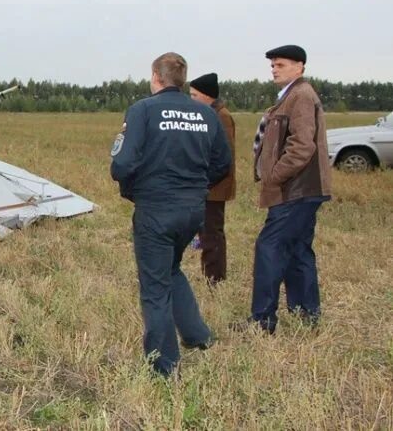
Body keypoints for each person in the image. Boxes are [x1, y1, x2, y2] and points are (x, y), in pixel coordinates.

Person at [110, 52, 232, 377]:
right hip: (192, 210)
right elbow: (223, 164)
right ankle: (198, 335)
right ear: (183, 80)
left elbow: (121, 164)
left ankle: (164, 367)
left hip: (155, 209)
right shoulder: (206, 115)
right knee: (171, 269)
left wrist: (137, 188)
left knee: (154, 287)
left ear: (155, 76)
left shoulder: (143, 110)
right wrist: (195, 186)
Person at [247, 45, 332, 333]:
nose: (274, 68)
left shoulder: (301, 96)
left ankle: (262, 321)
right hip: (302, 189)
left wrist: (273, 177)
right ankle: (306, 313)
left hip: (295, 190)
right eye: (272, 64)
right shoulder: (290, 97)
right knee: (298, 250)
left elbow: (301, 147)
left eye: (280, 64)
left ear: (300, 67)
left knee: (269, 247)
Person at [188, 73, 236, 284]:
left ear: (207, 96)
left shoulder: (221, 117)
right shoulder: (209, 114)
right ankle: (210, 275)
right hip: (208, 184)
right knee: (206, 233)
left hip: (215, 187)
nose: (191, 99)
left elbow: (223, 157)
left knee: (212, 234)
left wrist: (204, 182)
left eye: (194, 95)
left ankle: (215, 279)